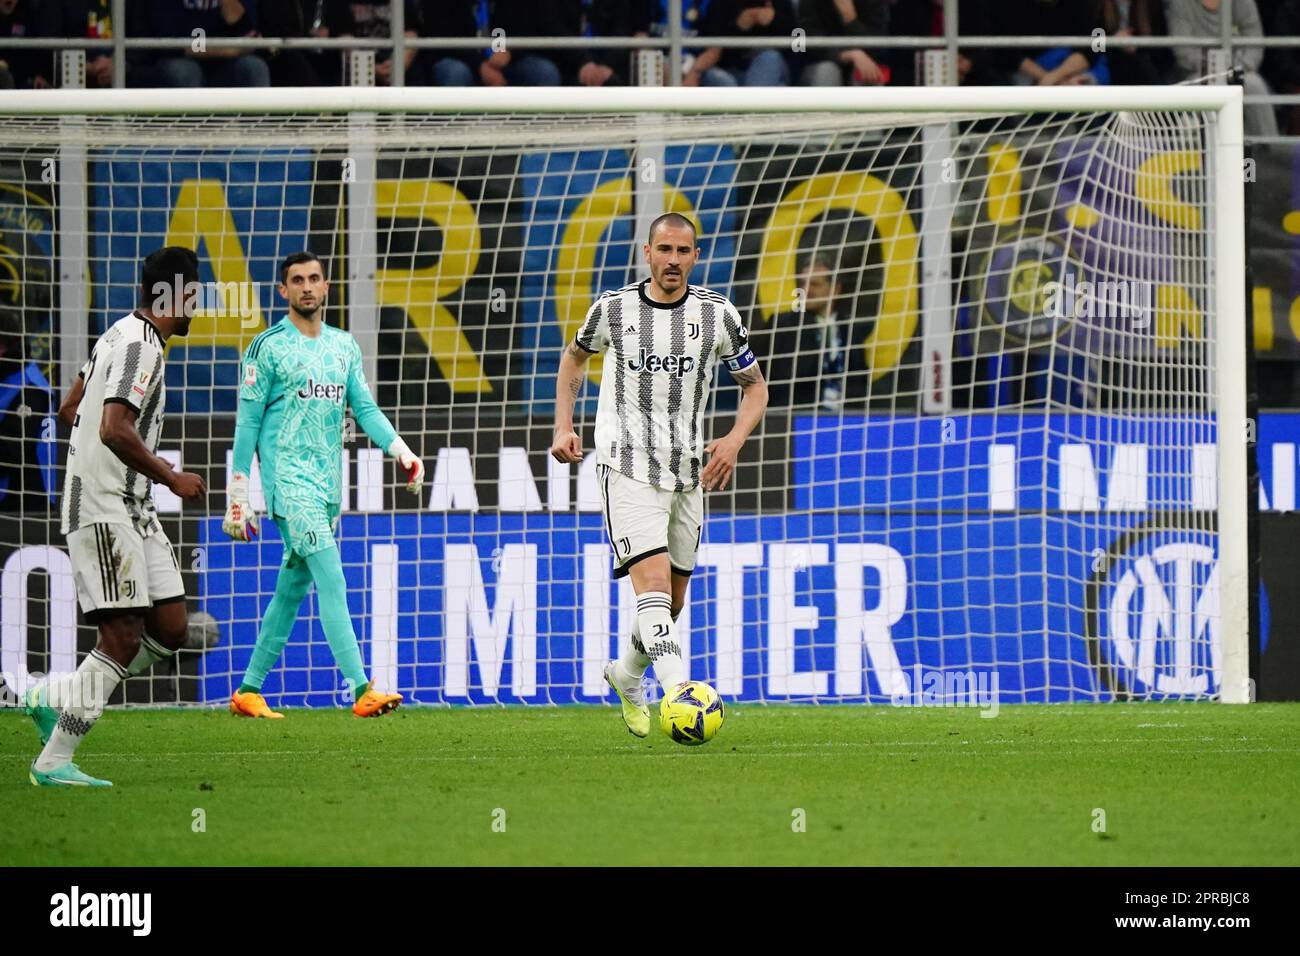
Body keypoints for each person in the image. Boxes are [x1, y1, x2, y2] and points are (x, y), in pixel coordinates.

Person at [550, 213, 769, 737]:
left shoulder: (717, 315)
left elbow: (755, 387)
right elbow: (574, 359)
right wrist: (564, 425)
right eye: (664, 249)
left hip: (688, 473)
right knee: (649, 589)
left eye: (683, 251)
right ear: (646, 253)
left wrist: (734, 441)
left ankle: (625, 676)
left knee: (669, 604)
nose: (673, 260)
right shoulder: (613, 308)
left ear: (696, 256)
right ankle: (681, 694)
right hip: (626, 466)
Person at [24, 247, 208, 787]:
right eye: (194, 294)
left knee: (171, 627)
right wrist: (169, 475)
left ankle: (54, 695)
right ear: (174, 296)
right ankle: (53, 762)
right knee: (123, 637)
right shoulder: (142, 348)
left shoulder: (118, 334)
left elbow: (69, 407)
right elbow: (111, 426)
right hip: (105, 507)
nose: (198, 305)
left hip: (132, 507)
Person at [224, 252, 424, 719]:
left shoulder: (343, 347)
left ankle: (248, 690)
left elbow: (365, 409)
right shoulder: (266, 347)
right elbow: (248, 425)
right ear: (283, 291)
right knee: (331, 575)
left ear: (327, 286)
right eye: (297, 280)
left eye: (314, 279)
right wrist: (239, 493)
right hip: (288, 484)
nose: (306, 287)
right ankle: (361, 689)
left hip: (327, 488)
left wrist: (401, 450)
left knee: (291, 590)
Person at [753, 253, 871, 410]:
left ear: (835, 289)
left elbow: (860, 382)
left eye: (814, 284)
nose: (806, 290)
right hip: (792, 421)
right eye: (803, 284)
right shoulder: (781, 325)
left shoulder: (850, 330)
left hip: (843, 421)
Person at [1165, 0, 1278, 136]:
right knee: (1194, 91)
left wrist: (1234, 69)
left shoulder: (1244, 3)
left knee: (1255, 85)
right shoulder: (1180, 4)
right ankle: (1199, 154)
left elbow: (1254, 47)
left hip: (1240, 71)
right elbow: (1183, 53)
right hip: (1198, 73)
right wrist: (1215, 68)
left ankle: (1270, 149)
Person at [130, 0, 271, 88]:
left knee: (253, 67)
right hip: (173, 63)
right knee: (183, 71)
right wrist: (230, 51)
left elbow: (249, 34)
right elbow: (171, 43)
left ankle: (259, 136)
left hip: (225, 66)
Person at [0, 308, 56, 514]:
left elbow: (9, 452)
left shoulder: (32, 389)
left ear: (3, 346)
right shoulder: (7, 375)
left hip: (28, 507)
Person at [690, 0, 797, 87]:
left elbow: (800, 46)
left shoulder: (780, 3)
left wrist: (775, 19)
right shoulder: (721, 4)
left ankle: (748, 109)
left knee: (769, 58)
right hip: (732, 71)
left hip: (772, 70)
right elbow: (716, 52)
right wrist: (739, 27)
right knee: (720, 79)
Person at [797, 0, 890, 87]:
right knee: (827, 71)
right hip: (818, 63)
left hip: (863, 62)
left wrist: (850, 19)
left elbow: (877, 46)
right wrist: (849, 55)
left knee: (868, 74)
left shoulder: (874, 3)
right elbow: (805, 44)